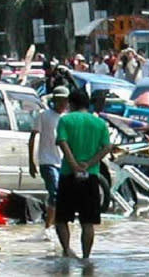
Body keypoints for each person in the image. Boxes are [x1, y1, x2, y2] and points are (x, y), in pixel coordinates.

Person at [54, 90, 112, 259]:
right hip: (91, 176)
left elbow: (62, 142)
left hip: (67, 175)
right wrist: (89, 164)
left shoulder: (65, 120)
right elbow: (107, 147)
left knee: (62, 218)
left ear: (71, 104)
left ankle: (67, 251)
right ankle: (86, 258)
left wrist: (73, 164)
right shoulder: (100, 123)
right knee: (88, 222)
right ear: (88, 104)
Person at [28, 86, 69, 233]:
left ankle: (55, 224)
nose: (62, 104)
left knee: (61, 195)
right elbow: (33, 137)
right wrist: (31, 162)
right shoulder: (43, 115)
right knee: (55, 193)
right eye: (59, 101)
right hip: (47, 161)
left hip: (63, 161)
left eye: (65, 101)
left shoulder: (67, 118)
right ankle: (48, 227)